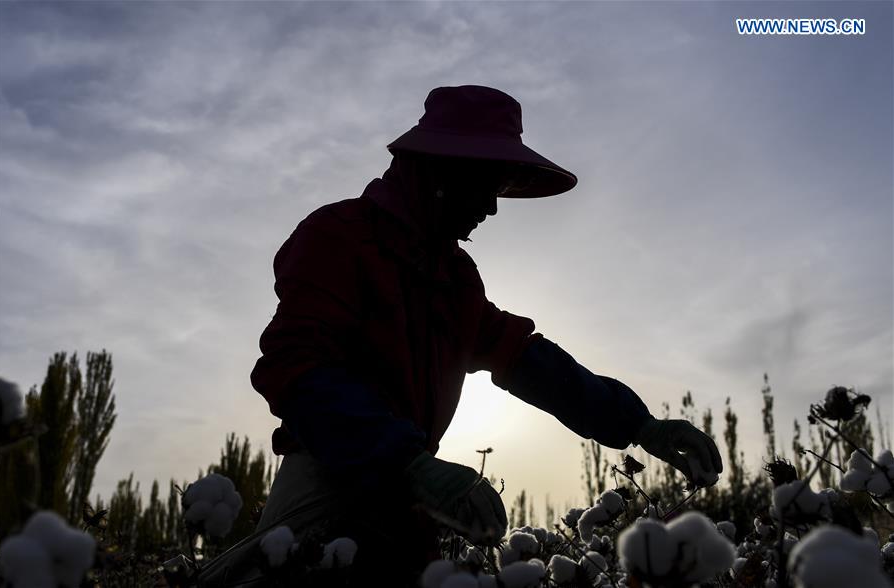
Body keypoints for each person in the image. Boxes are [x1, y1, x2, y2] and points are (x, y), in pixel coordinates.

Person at [196, 85, 723, 587]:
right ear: (439, 172)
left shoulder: (455, 279)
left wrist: (640, 424)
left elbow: (526, 359)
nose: (492, 208)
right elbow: (296, 367)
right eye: (485, 186)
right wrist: (404, 459)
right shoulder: (338, 237)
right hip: (328, 485)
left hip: (413, 505)